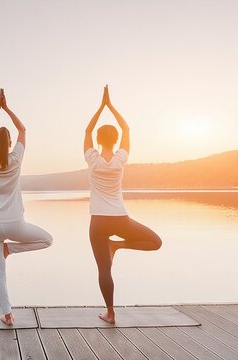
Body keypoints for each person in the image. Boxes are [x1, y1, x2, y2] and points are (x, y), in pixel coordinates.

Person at [84, 85, 162, 324]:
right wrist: (111, 106)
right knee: (155, 242)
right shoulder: (120, 159)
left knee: (104, 270)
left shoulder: (92, 159)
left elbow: (87, 129)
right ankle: (118, 245)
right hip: (119, 217)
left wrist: (100, 107)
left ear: (97, 140)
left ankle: (110, 313)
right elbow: (126, 128)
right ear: (116, 140)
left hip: (98, 222)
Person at [0, 89, 53, 325]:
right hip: (15, 224)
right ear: (9, 143)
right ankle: (10, 249)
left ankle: (8, 315)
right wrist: (7, 109)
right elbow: (23, 130)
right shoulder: (16, 159)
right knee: (47, 240)